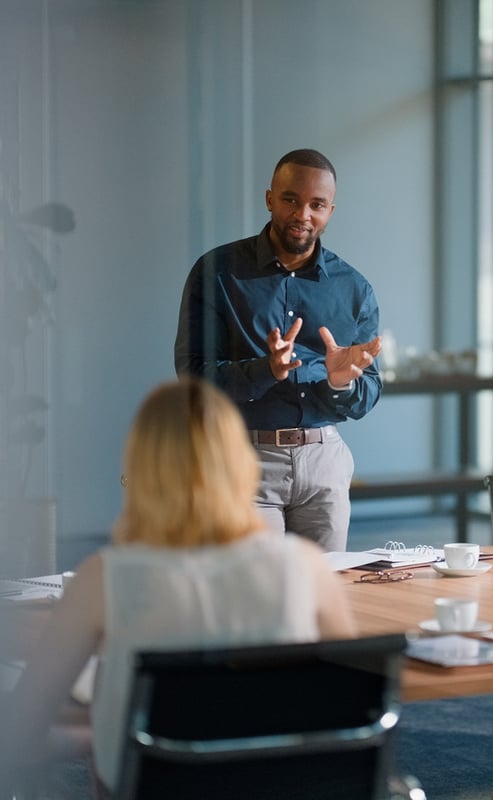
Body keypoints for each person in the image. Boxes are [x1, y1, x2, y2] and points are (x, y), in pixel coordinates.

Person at [3, 379, 358, 794]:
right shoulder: (307, 567)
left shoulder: (104, 577)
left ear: (140, 471)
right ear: (240, 461)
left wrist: (101, 734)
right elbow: (349, 707)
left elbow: (21, 729)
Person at [174, 148, 382, 552]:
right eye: (291, 200)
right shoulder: (217, 272)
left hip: (324, 460)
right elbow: (192, 374)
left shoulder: (354, 288)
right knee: (259, 597)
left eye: (316, 205)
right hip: (244, 460)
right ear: (270, 199)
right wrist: (266, 369)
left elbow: (369, 391)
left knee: (323, 597)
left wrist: (340, 384)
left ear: (330, 211)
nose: (303, 214)